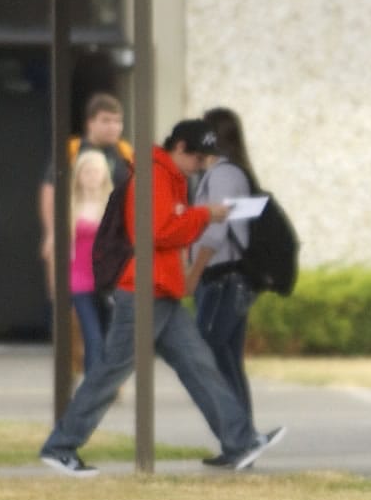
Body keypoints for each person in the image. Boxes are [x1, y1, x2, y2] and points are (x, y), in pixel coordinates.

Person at [38, 119, 285, 476]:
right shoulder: (154, 176)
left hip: (161, 290)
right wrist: (204, 215)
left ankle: (240, 441)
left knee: (199, 365)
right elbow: (155, 232)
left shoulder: (169, 176)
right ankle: (60, 446)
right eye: (198, 158)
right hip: (142, 292)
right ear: (180, 149)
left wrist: (190, 236)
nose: (201, 166)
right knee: (110, 374)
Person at [191, 105, 261, 433]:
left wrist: (192, 276)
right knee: (226, 359)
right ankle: (243, 438)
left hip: (222, 278)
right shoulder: (231, 172)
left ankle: (239, 436)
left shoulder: (222, 175)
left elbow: (215, 231)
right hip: (232, 279)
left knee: (210, 357)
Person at [40, 93, 135, 293]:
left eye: (118, 121)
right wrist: (51, 233)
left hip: (113, 242)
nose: (113, 127)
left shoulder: (125, 153)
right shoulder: (72, 151)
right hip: (77, 237)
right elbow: (50, 189)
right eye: (106, 121)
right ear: (90, 123)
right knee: (70, 299)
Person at [66, 148, 115, 379]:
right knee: (92, 336)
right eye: (87, 171)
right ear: (78, 175)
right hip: (80, 278)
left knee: (109, 337)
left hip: (107, 279)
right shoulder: (70, 206)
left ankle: (107, 385)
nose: (92, 176)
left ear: (105, 174)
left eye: (96, 171)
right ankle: (92, 388)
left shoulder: (114, 204)